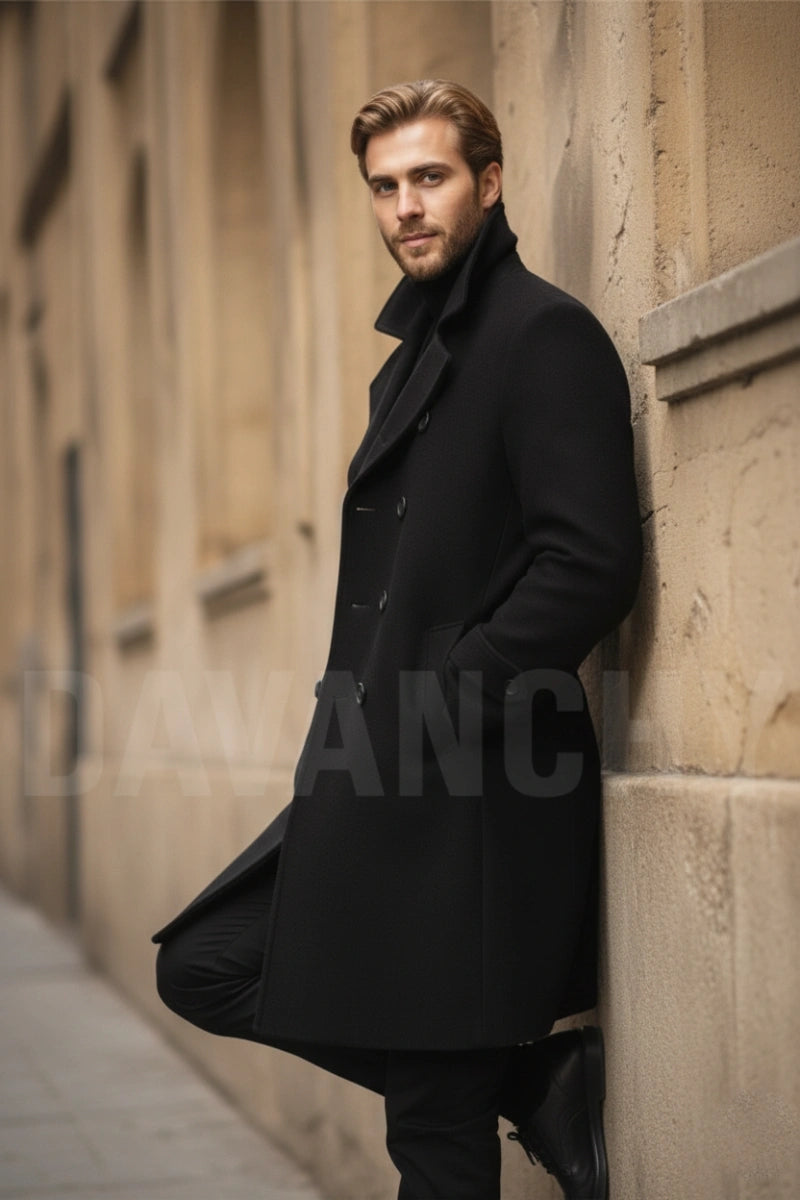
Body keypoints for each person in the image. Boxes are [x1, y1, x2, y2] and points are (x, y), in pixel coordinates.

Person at [154, 79, 642, 1200]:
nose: (406, 206)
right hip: (379, 774)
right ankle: (530, 1083)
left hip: (473, 793)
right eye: (384, 187)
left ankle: (507, 1085)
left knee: (431, 1134)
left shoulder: (541, 335)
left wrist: (451, 693)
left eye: (430, 177)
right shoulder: (417, 353)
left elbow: (590, 562)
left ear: (489, 181)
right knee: (205, 964)